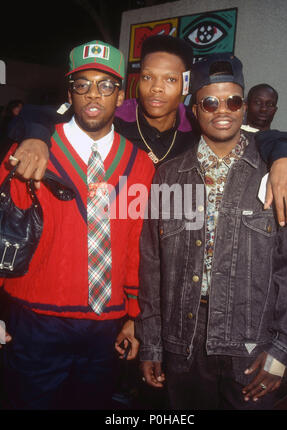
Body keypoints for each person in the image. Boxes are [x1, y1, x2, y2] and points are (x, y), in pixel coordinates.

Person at [136, 53, 287, 410]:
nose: (222, 109)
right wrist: (150, 342)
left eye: (233, 101)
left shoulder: (275, 174)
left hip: (251, 348)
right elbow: (152, 264)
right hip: (182, 343)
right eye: (209, 102)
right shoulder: (169, 176)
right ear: (195, 110)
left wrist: (284, 349)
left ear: (243, 108)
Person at [0, 40, 154, 410]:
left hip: (105, 326)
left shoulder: (140, 165)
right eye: (82, 84)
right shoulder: (29, 151)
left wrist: (134, 315)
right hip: (35, 320)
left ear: (121, 96)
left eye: (106, 85)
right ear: (70, 92)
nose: (93, 95)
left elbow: (135, 245)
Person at [6, 35, 287, 228]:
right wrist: (36, 136)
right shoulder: (115, 114)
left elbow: (257, 134)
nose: (157, 88)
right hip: (107, 241)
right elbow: (36, 114)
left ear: (185, 86)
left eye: (170, 79)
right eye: (147, 77)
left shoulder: (197, 120)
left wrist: (285, 158)